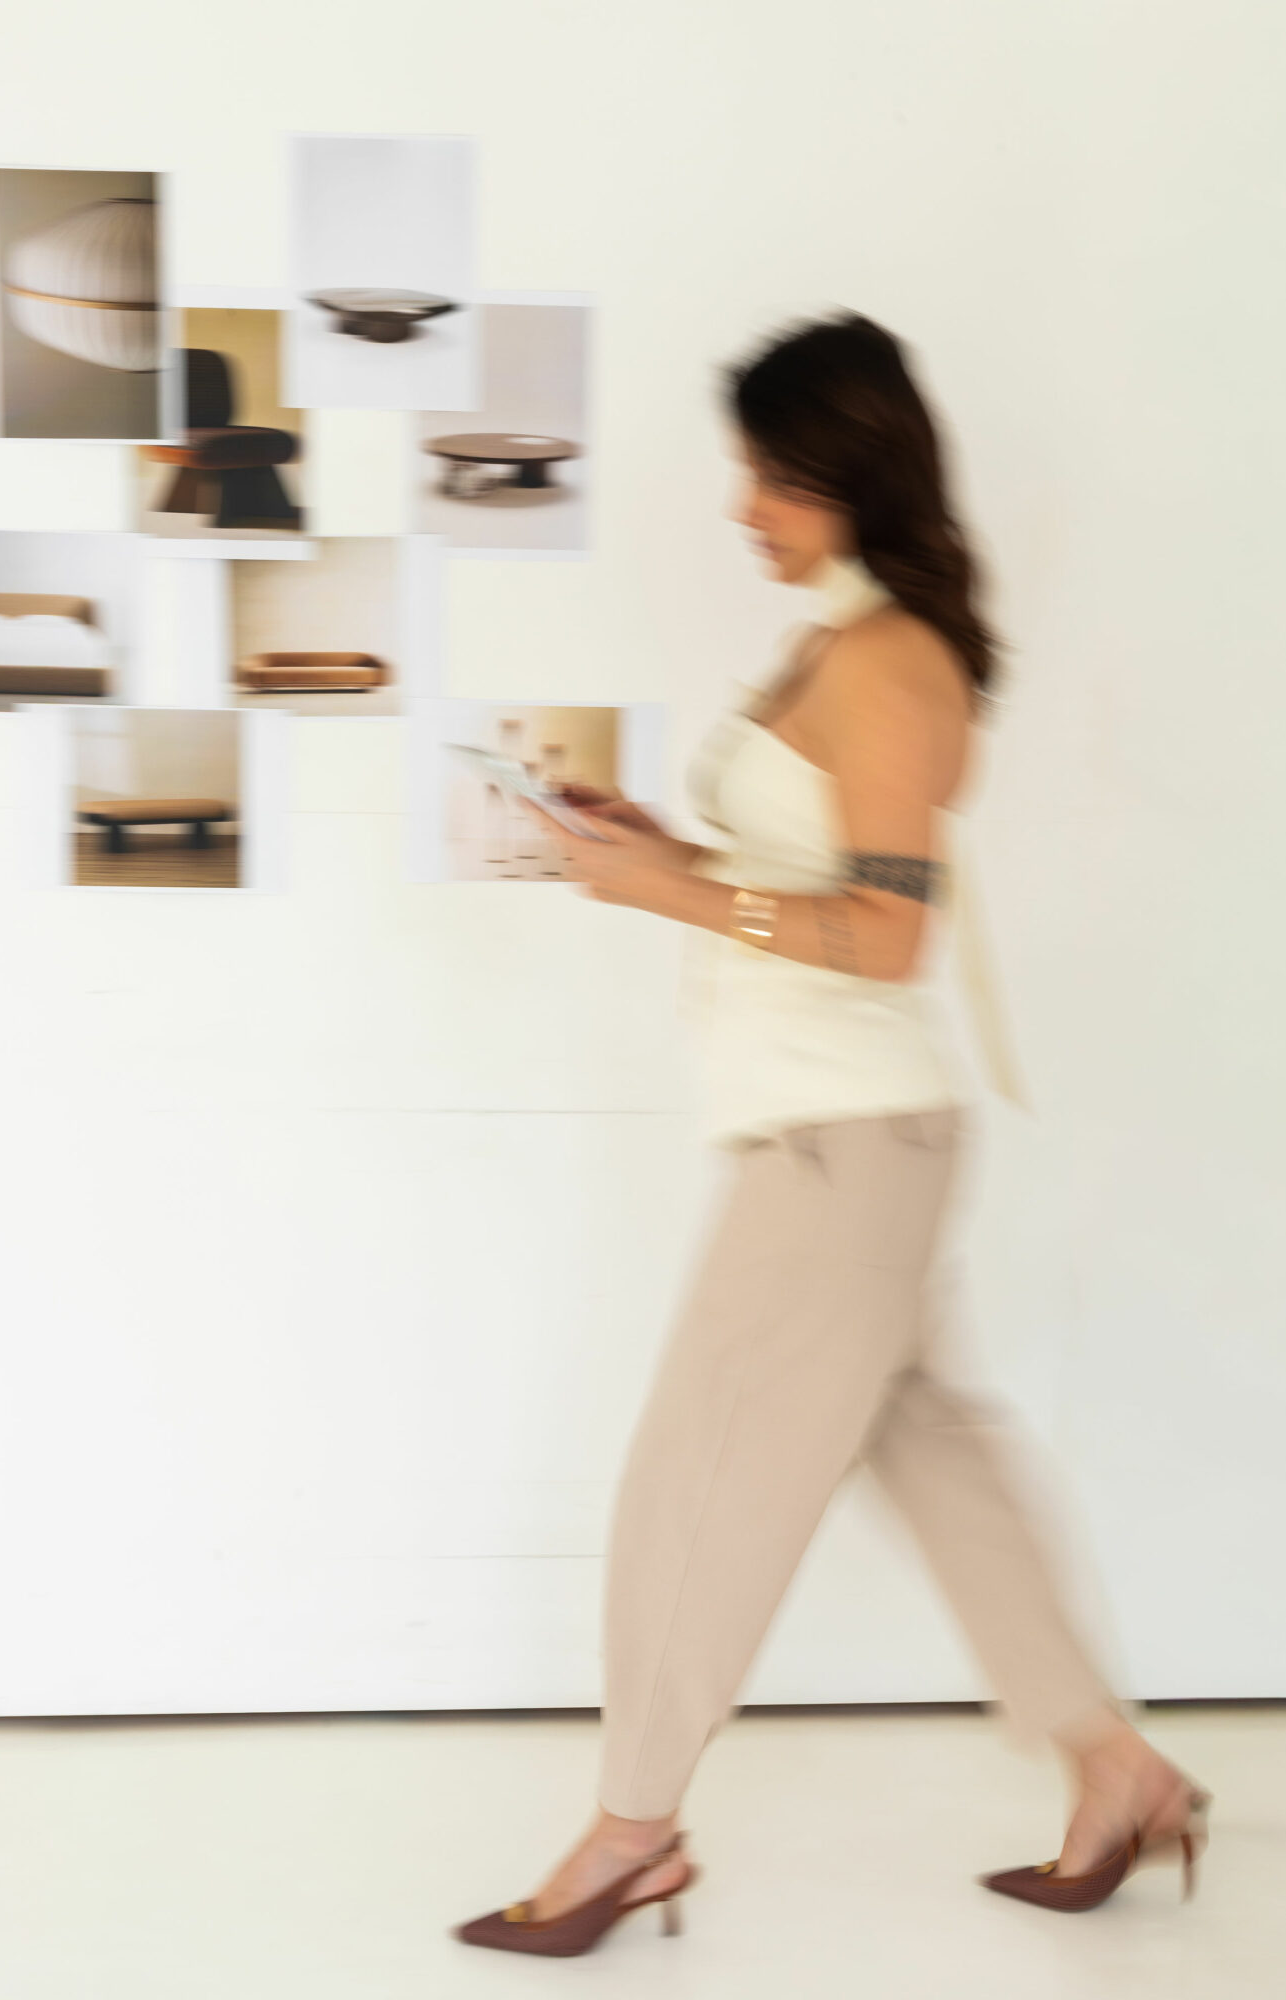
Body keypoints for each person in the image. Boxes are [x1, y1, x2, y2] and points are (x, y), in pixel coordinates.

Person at [453, 312, 1209, 1959]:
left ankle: (629, 1834)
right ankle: (1118, 1771)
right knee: (938, 1458)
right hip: (843, 1139)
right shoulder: (835, 642)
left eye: (770, 474)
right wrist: (661, 839)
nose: (744, 508)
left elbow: (885, 938)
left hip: (840, 1148)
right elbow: (799, 879)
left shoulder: (888, 665)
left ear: (849, 469)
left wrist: (662, 885)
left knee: (693, 1486)